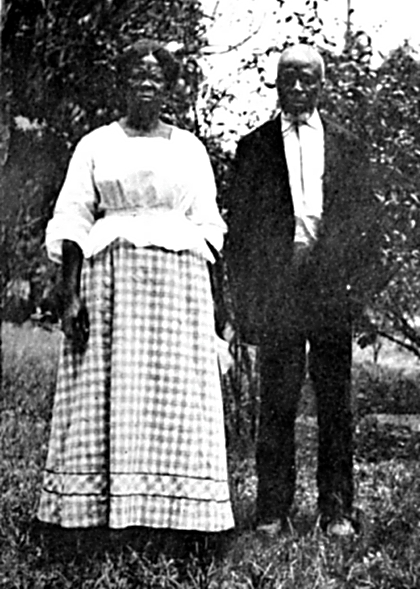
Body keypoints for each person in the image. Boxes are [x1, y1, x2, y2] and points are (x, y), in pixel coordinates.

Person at [37, 40, 234, 546]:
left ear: (169, 88)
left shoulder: (188, 148)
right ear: (122, 83)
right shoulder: (96, 144)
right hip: (111, 285)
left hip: (177, 289)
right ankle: (94, 516)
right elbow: (75, 219)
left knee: (174, 395)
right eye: (137, 76)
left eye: (157, 78)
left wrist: (213, 316)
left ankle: (177, 519)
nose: (146, 85)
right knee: (104, 391)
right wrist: (72, 294)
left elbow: (207, 225)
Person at [226, 44, 378, 537]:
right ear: (275, 83)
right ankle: (272, 510)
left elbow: (366, 225)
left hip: (330, 286)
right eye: (288, 77)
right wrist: (248, 302)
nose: (297, 86)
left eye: (307, 78)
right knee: (278, 401)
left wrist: (357, 289)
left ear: (321, 84)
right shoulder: (255, 146)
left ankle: (336, 510)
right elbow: (241, 234)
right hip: (279, 289)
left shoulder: (348, 146)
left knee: (336, 402)